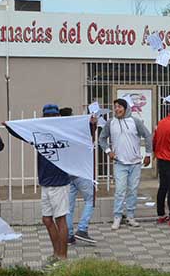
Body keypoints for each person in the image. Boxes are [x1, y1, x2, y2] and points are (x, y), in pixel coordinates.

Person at [98, 98, 152, 230]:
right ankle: (117, 217)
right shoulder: (111, 123)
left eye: (119, 107)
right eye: (115, 107)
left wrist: (148, 154)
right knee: (120, 191)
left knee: (133, 190)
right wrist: (108, 151)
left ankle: (130, 216)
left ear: (126, 108)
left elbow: (148, 135)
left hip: (135, 163)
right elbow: (102, 138)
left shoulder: (135, 121)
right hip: (119, 163)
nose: (117, 109)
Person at [62, 107, 98, 245]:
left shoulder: (59, 132)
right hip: (81, 172)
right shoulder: (76, 130)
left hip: (67, 173)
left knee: (68, 207)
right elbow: (89, 139)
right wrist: (92, 125)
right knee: (90, 199)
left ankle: (69, 235)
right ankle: (82, 229)